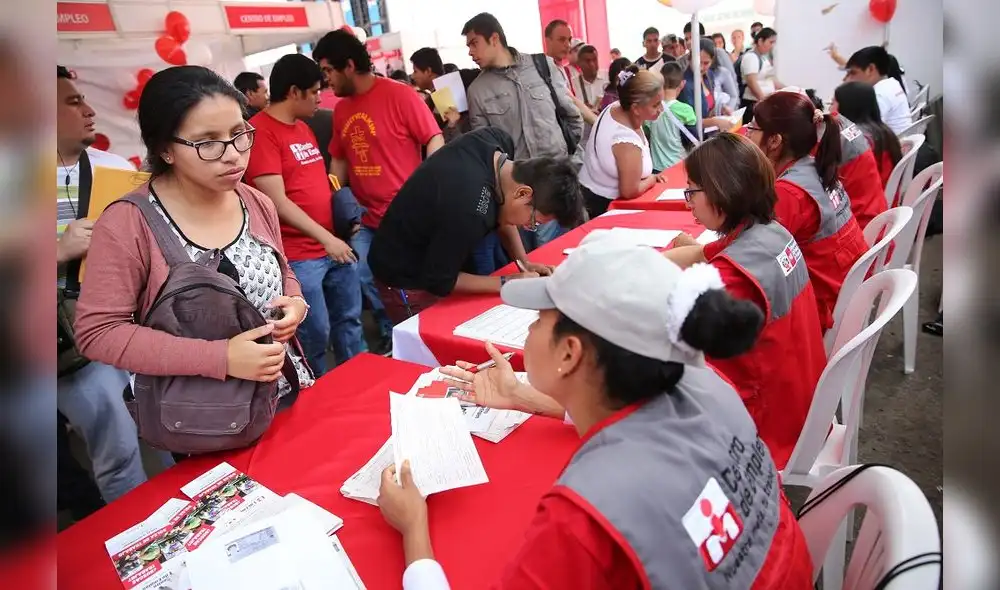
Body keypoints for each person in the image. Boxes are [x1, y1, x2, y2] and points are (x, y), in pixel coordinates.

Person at [379, 241, 815, 589]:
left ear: (570, 353)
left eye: (539, 319)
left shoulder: (585, 517)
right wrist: (520, 396)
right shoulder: (709, 385)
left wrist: (415, 531)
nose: (528, 329)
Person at [74, 66, 313, 432]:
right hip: (203, 419)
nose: (233, 155)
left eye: (239, 134)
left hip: (288, 392)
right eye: (208, 143)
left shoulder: (256, 201)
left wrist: (295, 302)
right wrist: (219, 358)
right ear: (165, 149)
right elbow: (98, 332)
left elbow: (283, 272)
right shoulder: (129, 223)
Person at [662, 133, 826, 468]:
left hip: (766, 426)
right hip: (801, 400)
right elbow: (705, 252)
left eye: (692, 191)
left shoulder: (730, 279)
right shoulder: (769, 231)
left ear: (722, 192)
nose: (687, 202)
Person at [313, 29, 444, 348]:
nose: (325, 79)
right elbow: (340, 160)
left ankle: (428, 329)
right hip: (364, 217)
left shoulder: (400, 95)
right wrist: (334, 198)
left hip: (406, 213)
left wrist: (432, 188)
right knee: (366, 276)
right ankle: (391, 330)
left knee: (414, 279)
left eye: (328, 70)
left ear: (347, 66)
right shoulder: (341, 110)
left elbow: (433, 139)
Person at [368, 128, 583, 319]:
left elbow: (504, 209)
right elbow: (440, 281)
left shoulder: (497, 142)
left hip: (439, 251)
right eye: (533, 221)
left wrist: (523, 262)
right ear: (523, 193)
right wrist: (507, 282)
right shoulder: (470, 210)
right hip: (404, 275)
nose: (527, 226)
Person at [56, 65, 148, 503]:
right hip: (67, 342)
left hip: (132, 324)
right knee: (117, 453)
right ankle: (137, 546)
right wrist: (55, 251)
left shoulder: (114, 168)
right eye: (73, 102)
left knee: (161, 430)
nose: (90, 111)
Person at [245, 54, 364, 374]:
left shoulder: (303, 128)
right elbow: (277, 202)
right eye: (313, 92)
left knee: (349, 322)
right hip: (299, 256)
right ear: (294, 91)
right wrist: (328, 239)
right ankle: (321, 392)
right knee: (314, 334)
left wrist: (341, 221)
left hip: (333, 245)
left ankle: (359, 379)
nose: (318, 98)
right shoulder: (262, 133)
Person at [746, 91, 868, 331]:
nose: (747, 134)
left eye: (752, 128)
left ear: (774, 141)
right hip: (845, 290)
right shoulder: (814, 166)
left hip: (820, 306)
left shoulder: (790, 193)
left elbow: (754, 254)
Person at [463, 12, 583, 251]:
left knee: (576, 251)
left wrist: (568, 161)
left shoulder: (542, 66)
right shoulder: (477, 90)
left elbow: (571, 115)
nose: (470, 52)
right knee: (541, 262)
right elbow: (485, 150)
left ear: (494, 38)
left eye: (474, 43)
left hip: (562, 184)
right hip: (522, 199)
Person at [579, 66, 667, 218]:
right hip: (604, 208)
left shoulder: (615, 107)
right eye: (655, 105)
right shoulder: (626, 141)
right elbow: (629, 191)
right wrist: (651, 179)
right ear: (636, 108)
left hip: (589, 192)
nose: (662, 109)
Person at [833, 81, 903, 189]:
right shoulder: (882, 131)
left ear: (847, 106)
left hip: (872, 198)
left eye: (833, 103)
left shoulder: (854, 139)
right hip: (888, 195)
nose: (829, 109)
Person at [842, 46, 913, 134]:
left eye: (853, 73)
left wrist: (838, 132)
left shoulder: (880, 94)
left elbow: (859, 134)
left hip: (890, 144)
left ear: (871, 69)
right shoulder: (892, 83)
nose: (849, 79)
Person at [543, 20, 598, 127]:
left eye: (569, 39)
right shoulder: (545, 69)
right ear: (548, 41)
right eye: (561, 40)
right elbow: (570, 101)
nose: (567, 45)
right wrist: (596, 121)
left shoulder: (562, 69)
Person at [410, 47, 470, 143]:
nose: (412, 76)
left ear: (428, 71)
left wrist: (451, 125)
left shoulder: (448, 95)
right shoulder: (433, 98)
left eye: (415, 71)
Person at [646, 62, 698, 172]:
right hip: (679, 166)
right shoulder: (686, 111)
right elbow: (692, 140)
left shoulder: (651, 108)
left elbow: (647, 135)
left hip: (656, 169)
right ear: (682, 84)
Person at [680, 38, 741, 120]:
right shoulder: (684, 84)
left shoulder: (709, 76)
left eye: (706, 63)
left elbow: (709, 110)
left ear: (712, 61)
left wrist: (721, 110)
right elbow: (690, 122)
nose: (700, 67)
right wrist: (715, 122)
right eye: (697, 62)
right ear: (690, 58)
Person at [739, 27, 782, 124]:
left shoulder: (763, 58)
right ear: (760, 41)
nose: (772, 46)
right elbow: (752, 83)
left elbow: (771, 80)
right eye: (770, 42)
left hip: (762, 103)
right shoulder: (750, 57)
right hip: (754, 105)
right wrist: (765, 102)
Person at [572, 45, 606, 113]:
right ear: (579, 63)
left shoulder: (608, 78)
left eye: (594, 59)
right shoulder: (573, 84)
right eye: (587, 61)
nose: (592, 64)